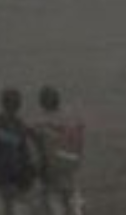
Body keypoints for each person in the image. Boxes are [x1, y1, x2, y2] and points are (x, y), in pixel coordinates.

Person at [0, 89, 40, 215]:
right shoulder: (22, 128)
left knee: (0, 206)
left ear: (2, 103)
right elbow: (32, 157)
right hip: (19, 184)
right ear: (19, 105)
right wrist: (29, 179)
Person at [32, 86, 85, 215]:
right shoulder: (72, 119)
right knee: (74, 203)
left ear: (42, 103)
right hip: (70, 168)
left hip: (52, 173)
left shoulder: (39, 124)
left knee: (54, 204)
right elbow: (79, 144)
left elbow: (38, 152)